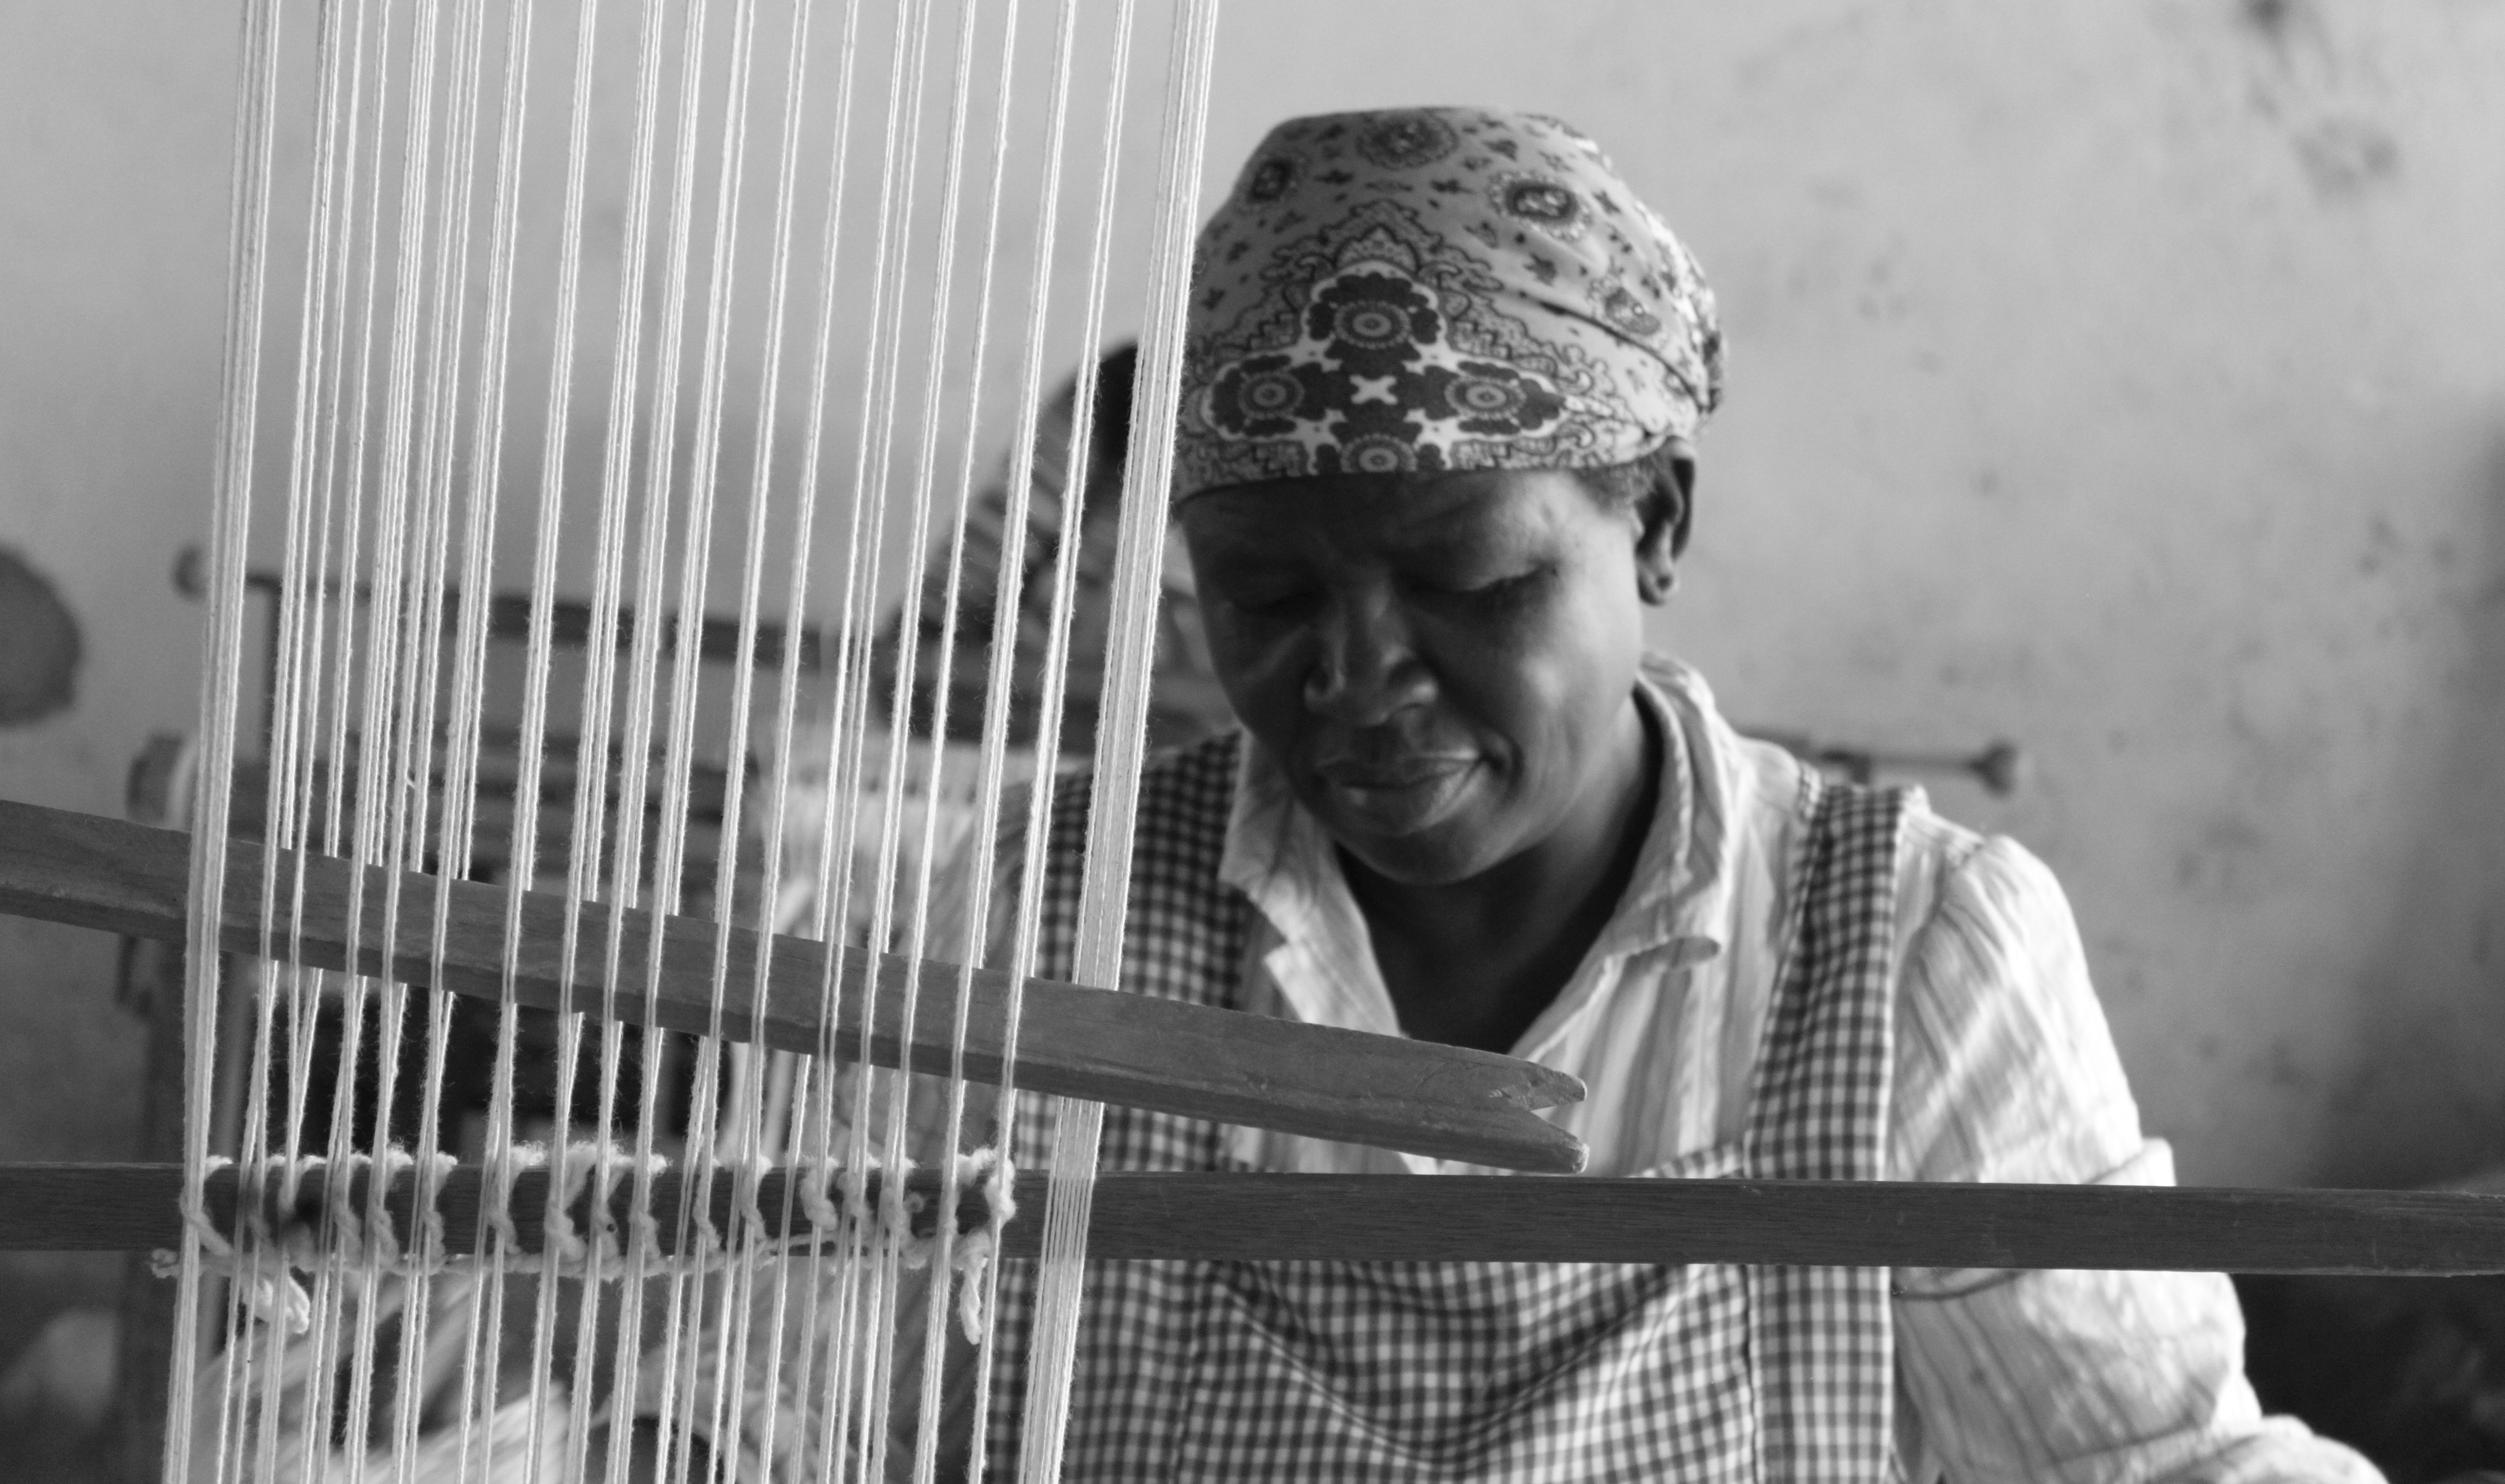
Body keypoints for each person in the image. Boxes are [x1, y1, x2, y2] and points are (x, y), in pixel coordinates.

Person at [958, 108, 2382, 1479]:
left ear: (1659, 525)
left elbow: (2152, 1459)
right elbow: (782, 1370)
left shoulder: (1907, 954)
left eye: (1468, 581)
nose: (1356, 677)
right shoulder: (1049, 910)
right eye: (1264, 594)